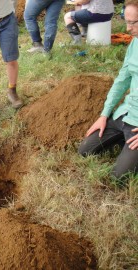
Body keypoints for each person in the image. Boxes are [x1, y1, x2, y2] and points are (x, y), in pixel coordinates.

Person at [78, 0, 138, 181]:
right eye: (126, 21)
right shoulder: (135, 44)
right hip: (126, 113)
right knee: (85, 151)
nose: (128, 29)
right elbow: (122, 80)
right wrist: (104, 115)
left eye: (133, 23)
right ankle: (123, 143)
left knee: (120, 178)